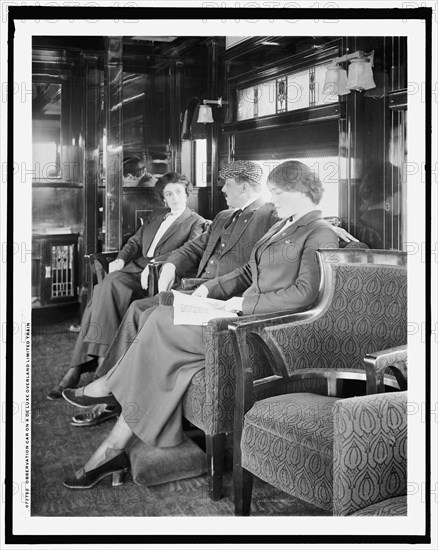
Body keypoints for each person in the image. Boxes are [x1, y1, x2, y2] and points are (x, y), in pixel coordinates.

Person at [61, 160, 339, 489]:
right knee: (163, 331)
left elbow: (306, 294)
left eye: (278, 193)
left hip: (262, 331)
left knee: (162, 320)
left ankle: (109, 392)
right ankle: (113, 448)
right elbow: (249, 272)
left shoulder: (320, 232)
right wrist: (210, 289)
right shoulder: (284, 224)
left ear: (301, 192)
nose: (273, 198)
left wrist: (243, 304)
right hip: (240, 314)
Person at [64, 160, 279, 425]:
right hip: (194, 289)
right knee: (136, 309)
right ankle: (111, 389)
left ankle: (110, 391)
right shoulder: (224, 216)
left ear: (245, 187)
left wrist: (325, 226)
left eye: (227, 185)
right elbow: (193, 249)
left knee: (146, 312)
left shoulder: (271, 215)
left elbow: (267, 259)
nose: (222, 190)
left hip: (222, 299)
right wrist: (169, 265)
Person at [46, 173, 206, 399]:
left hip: (158, 277)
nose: (175, 198)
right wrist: (121, 259)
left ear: (187, 194)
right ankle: (95, 367)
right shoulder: (157, 215)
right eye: (169, 194)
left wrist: (155, 265)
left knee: (106, 286)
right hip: (134, 269)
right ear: (164, 198)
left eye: (179, 192)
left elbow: (188, 253)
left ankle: (81, 368)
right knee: (100, 294)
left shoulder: (196, 222)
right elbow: (135, 241)